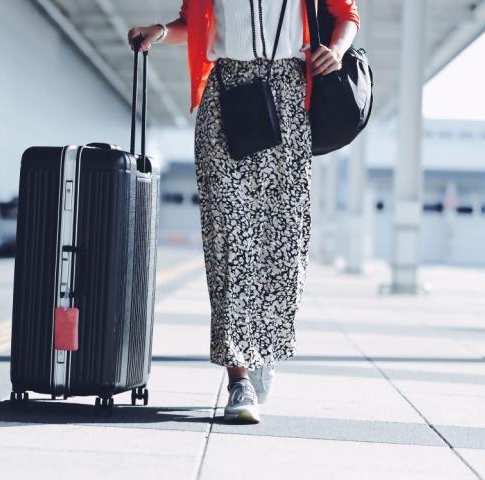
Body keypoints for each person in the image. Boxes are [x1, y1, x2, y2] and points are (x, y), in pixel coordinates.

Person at [128, 0, 360, 424]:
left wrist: (337, 50)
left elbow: (347, 15)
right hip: (225, 101)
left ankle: (265, 348)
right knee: (229, 241)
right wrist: (160, 32)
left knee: (282, 241)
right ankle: (239, 377)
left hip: (290, 101)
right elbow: (193, 22)